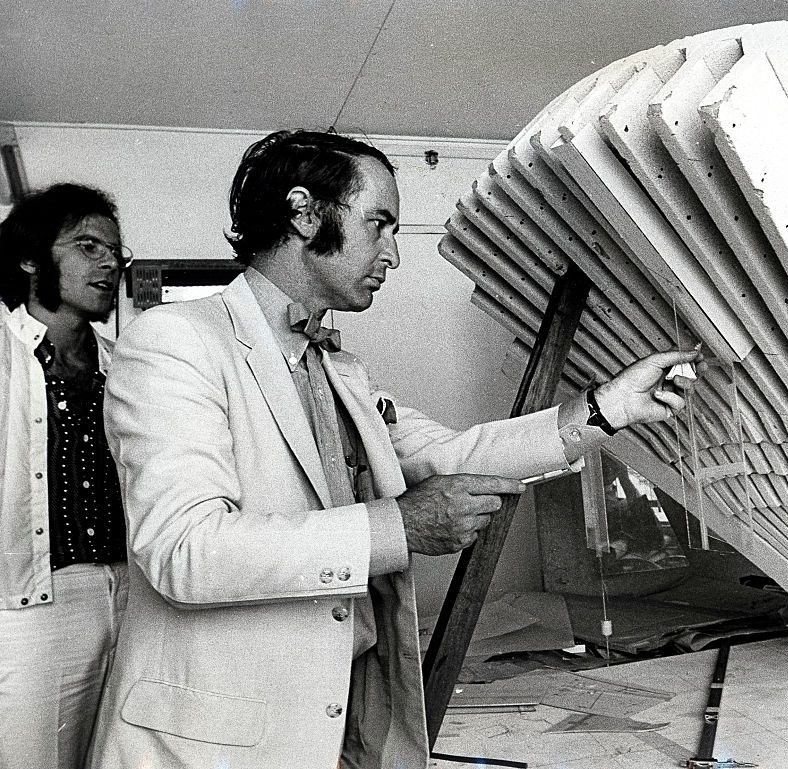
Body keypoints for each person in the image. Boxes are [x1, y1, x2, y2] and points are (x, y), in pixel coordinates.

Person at [89, 130, 705, 769]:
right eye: (379, 224)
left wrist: (606, 408)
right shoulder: (175, 342)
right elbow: (184, 550)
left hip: (336, 722)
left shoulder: (335, 367)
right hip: (216, 742)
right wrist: (399, 526)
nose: (393, 254)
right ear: (304, 214)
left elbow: (456, 458)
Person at [0, 183, 133, 769]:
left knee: (125, 754)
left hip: (136, 591)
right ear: (31, 258)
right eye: (88, 247)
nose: (110, 262)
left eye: (114, 250)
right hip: (34, 602)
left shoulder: (128, 363)